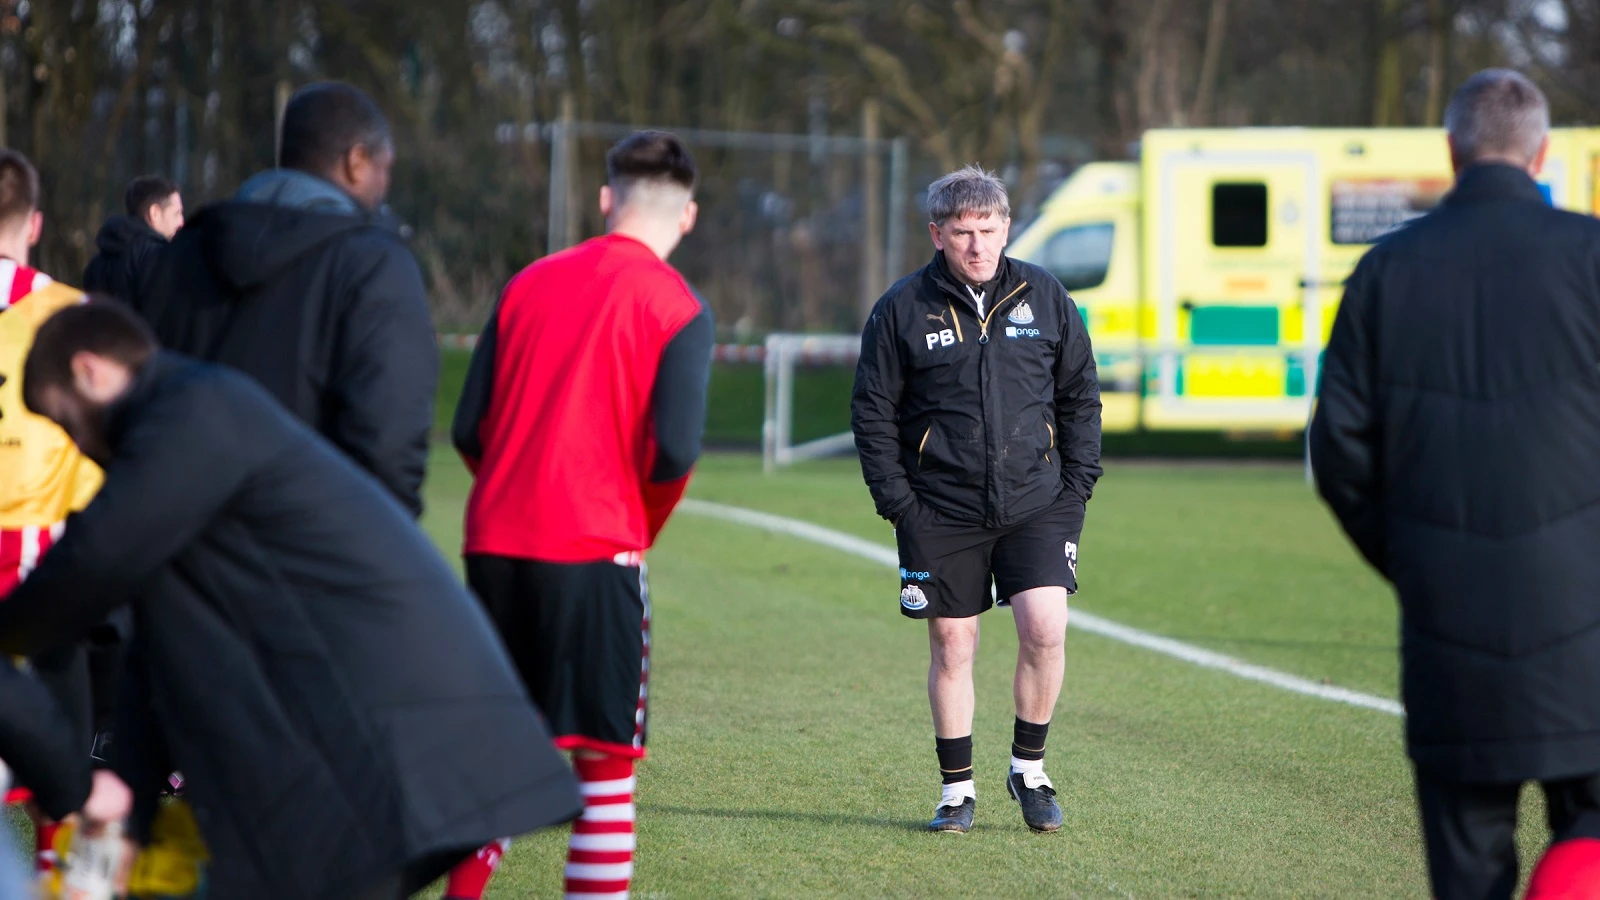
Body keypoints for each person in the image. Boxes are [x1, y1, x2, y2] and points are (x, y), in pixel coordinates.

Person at [0, 301, 583, 900]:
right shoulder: (188, 436)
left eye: (66, 421)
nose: (77, 444)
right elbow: (152, 658)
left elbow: (92, 564)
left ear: (90, 371)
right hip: (363, 749)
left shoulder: (191, 413)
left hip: (387, 743)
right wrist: (130, 814)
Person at [1310, 69, 1600, 900]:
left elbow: (1339, 453)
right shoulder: (1592, 256)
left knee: (1469, 877)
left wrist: (1417, 556)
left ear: (1451, 151)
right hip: (1589, 630)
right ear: (1542, 153)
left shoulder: (1384, 273)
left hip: (1451, 633)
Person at [452, 130, 712, 900]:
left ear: (605, 200)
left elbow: (468, 428)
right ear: (688, 216)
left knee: (501, 760)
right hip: (597, 550)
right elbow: (674, 453)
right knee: (603, 776)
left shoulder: (526, 282)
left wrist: (514, 490)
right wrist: (636, 524)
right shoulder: (677, 306)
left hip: (494, 546)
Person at [850, 164, 1102, 834]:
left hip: (1039, 501)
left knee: (1045, 627)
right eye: (962, 231)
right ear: (937, 233)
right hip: (939, 509)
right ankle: (956, 791)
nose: (977, 245)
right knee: (954, 645)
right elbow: (873, 414)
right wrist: (900, 504)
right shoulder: (901, 308)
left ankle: (1030, 771)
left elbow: (1080, 399)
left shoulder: (1046, 297)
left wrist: (1076, 489)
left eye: (988, 229)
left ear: (1007, 227)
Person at [130, 81, 436, 515]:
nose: (385, 186)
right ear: (356, 162)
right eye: (384, 169)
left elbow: (143, 414)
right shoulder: (374, 266)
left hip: (183, 554)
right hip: (308, 559)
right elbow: (388, 446)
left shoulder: (175, 259)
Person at [0, 148, 105, 875]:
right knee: (64, 756)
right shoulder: (74, 313)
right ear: (34, 224)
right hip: (37, 561)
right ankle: (56, 871)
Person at [81, 176, 183, 302]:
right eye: (177, 213)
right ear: (155, 213)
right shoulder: (157, 257)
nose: (181, 222)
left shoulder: (97, 262)